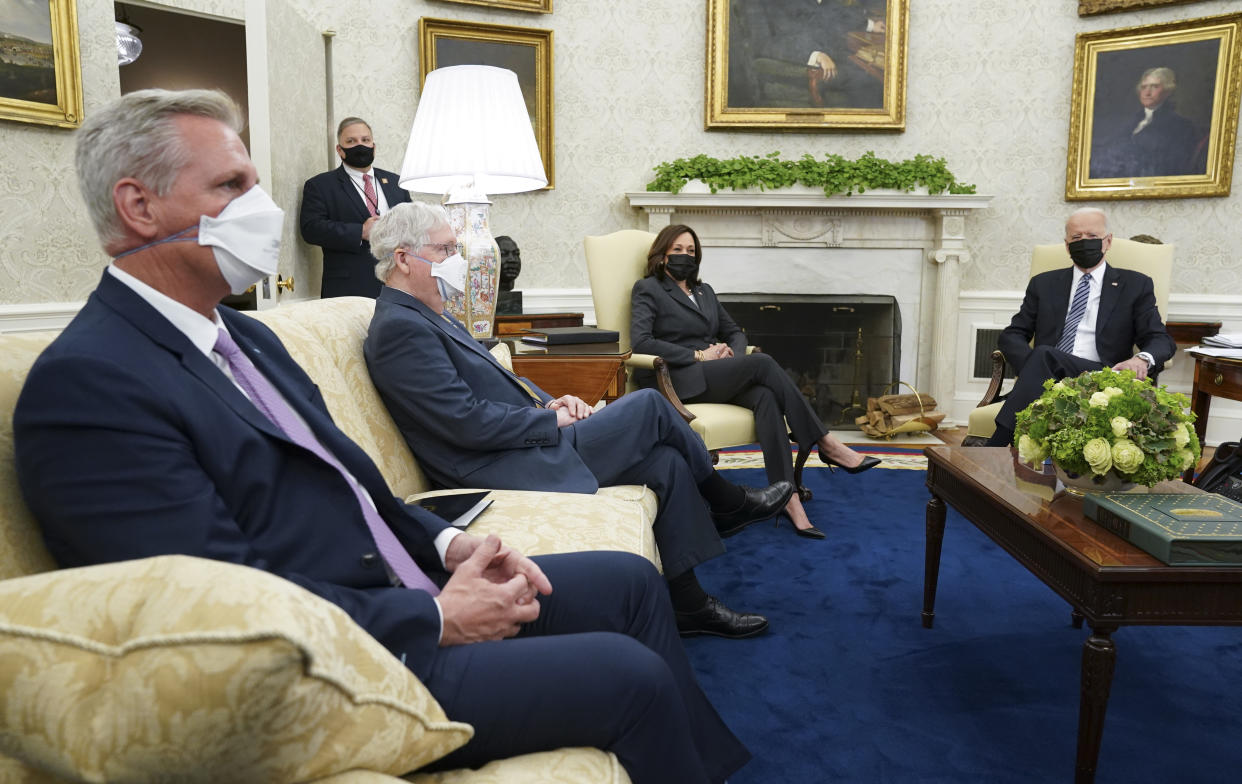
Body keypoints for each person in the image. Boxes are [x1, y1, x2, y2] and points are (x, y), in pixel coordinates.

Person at [12, 89, 749, 784]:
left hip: (404, 584)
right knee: (629, 675)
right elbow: (220, 611)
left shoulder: (241, 335)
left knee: (628, 581)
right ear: (139, 206)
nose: (261, 210)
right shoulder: (90, 385)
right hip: (347, 659)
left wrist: (446, 547)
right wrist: (434, 614)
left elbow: (353, 482)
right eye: (231, 186)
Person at [364, 202, 794, 639]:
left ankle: (689, 604)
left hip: (518, 442)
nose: (456, 261)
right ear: (403, 258)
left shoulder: (425, 312)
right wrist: (550, 425)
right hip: (496, 463)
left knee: (666, 461)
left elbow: (497, 386)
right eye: (445, 250)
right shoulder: (400, 327)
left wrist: (550, 404)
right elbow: (463, 423)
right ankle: (728, 501)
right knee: (647, 404)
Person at [630, 224, 880, 541]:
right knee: (762, 363)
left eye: (691, 251)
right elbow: (641, 342)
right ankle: (825, 442)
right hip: (677, 377)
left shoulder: (704, 292)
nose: (685, 256)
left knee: (764, 396)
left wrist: (730, 353)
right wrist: (698, 355)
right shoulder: (648, 289)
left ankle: (787, 497)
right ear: (663, 255)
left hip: (713, 372)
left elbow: (733, 330)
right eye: (677, 250)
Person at [985, 207, 1176, 447]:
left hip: (1101, 374)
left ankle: (997, 444)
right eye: (1076, 238)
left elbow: (1160, 339)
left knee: (1044, 354)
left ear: (1108, 242)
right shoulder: (1044, 284)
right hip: (1047, 375)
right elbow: (1012, 335)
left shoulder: (1135, 284)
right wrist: (1035, 368)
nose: (1084, 243)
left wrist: (1142, 360)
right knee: (1044, 356)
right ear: (1067, 245)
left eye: (1092, 237)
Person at [300, 116, 412, 298]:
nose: (360, 146)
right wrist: (360, 231)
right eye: (351, 141)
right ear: (340, 150)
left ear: (373, 147)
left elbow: (413, 226)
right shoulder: (320, 185)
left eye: (365, 140)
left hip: (398, 285)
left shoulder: (395, 183)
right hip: (348, 289)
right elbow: (311, 229)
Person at [1089, 67, 1202, 179]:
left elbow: (1172, 166)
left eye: (1155, 86)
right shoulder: (1131, 121)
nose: (1147, 92)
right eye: (1144, 87)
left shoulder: (1181, 126)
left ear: (1168, 91)